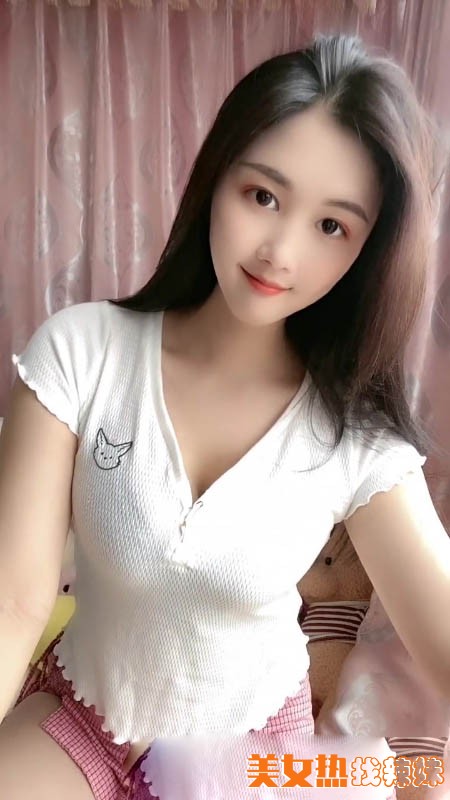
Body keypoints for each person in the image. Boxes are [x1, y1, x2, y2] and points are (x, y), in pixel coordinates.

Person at [0, 31, 448, 800]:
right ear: (217, 178)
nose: (280, 251)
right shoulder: (83, 352)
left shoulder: (356, 441)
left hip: (249, 756)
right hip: (85, 717)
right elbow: (14, 598)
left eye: (332, 226)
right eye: (263, 196)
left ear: (367, 253)